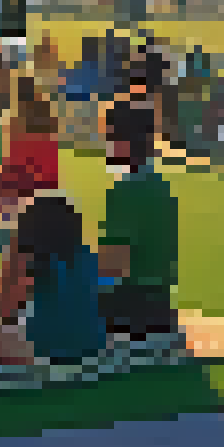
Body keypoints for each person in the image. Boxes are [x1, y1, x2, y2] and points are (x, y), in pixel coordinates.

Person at [0, 194, 105, 364]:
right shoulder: (88, 256)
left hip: (48, 349)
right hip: (93, 343)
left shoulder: (37, 263)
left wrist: (12, 255)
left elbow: (4, 313)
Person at [96, 101, 178, 339]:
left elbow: (113, 267)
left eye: (109, 137)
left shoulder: (125, 190)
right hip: (162, 306)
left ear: (121, 141)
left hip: (130, 310)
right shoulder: (161, 186)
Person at [0, 81, 61, 221]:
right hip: (43, 186)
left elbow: (19, 167)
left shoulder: (18, 126)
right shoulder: (48, 125)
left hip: (30, 185)